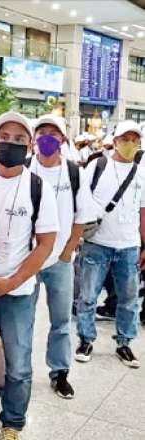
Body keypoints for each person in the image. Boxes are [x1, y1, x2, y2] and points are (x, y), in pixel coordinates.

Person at [0, 111, 59, 440]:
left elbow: (45, 244)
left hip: (18, 292)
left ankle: (13, 424)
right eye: (4, 138)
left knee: (19, 365)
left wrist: (11, 280)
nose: (10, 144)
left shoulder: (39, 188)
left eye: (19, 140)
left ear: (29, 147)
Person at [28, 115, 96, 399]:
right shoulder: (23, 169)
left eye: (53, 134)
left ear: (64, 140)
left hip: (60, 261)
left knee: (60, 321)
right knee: (22, 321)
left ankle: (60, 372)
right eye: (41, 132)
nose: (47, 138)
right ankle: (19, 375)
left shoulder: (73, 173)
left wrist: (67, 251)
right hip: (27, 262)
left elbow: (81, 216)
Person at [75, 120, 145, 369]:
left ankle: (124, 342)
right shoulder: (97, 166)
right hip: (97, 242)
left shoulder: (141, 173)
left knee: (128, 299)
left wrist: (144, 244)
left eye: (135, 140)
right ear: (115, 141)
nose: (130, 144)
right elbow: (81, 201)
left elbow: (143, 211)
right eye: (126, 139)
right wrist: (76, 236)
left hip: (129, 245)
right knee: (88, 296)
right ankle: (85, 339)